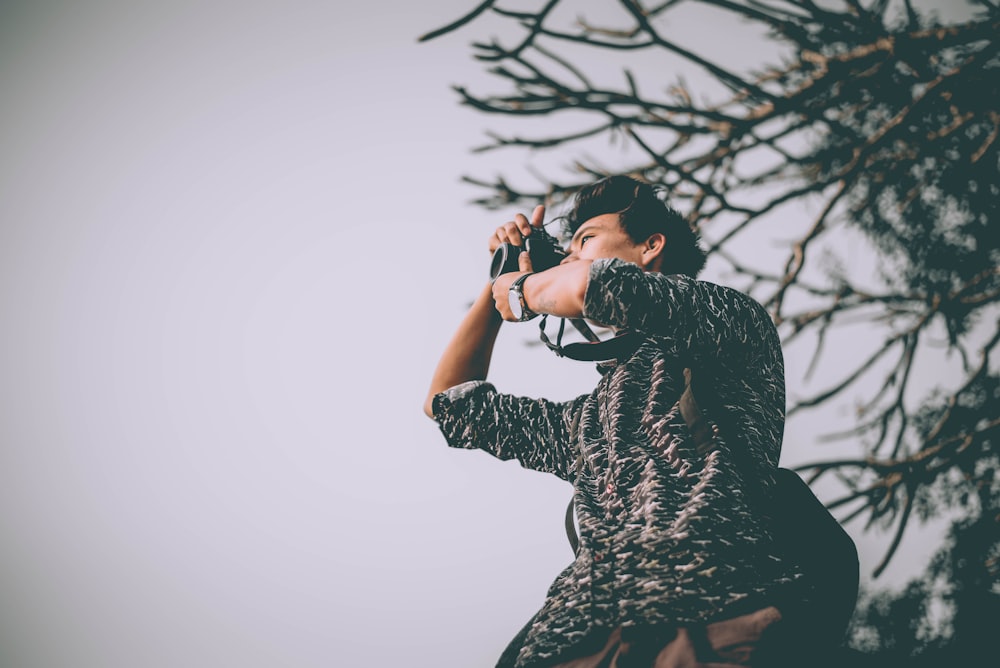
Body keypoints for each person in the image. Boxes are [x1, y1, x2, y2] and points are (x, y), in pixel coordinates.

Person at [423, 176, 808, 667]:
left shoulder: (724, 319)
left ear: (651, 246)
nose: (569, 258)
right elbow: (449, 404)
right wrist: (496, 288)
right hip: (571, 637)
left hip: (709, 611)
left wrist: (523, 290)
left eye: (586, 240)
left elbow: (595, 287)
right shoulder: (587, 421)